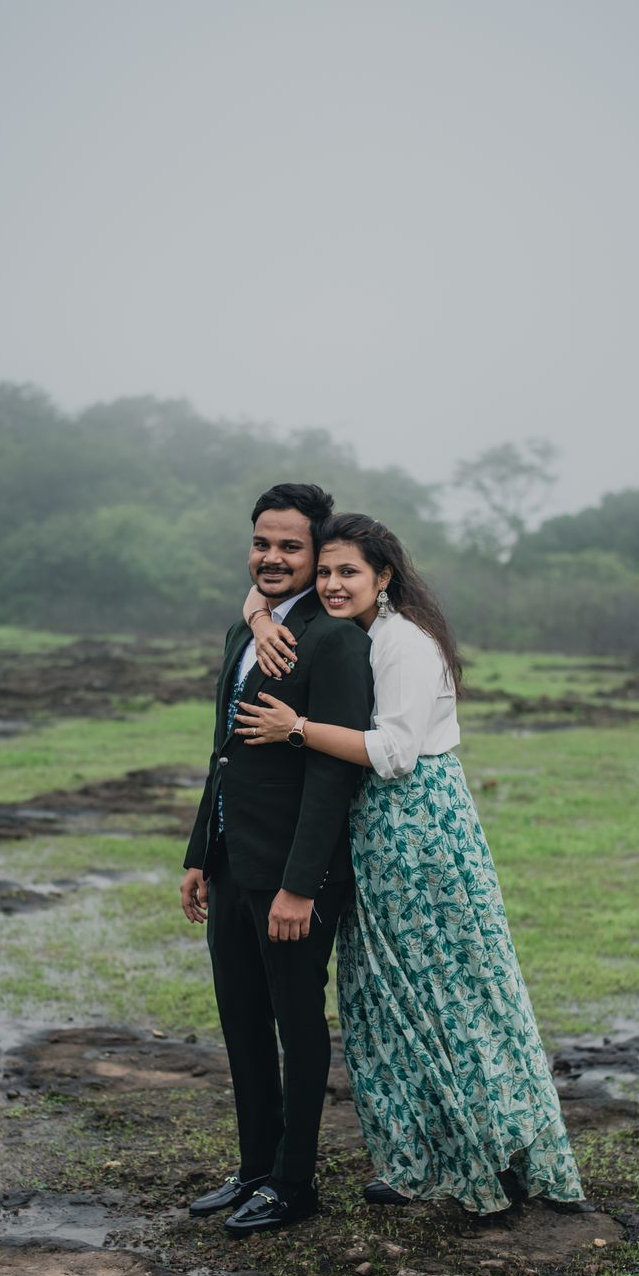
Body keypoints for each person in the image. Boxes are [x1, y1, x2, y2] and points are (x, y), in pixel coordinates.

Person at [234, 512, 586, 1216]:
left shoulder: (404, 644)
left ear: (383, 576)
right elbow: (264, 599)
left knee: (451, 995)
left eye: (348, 573)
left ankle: (497, 1153)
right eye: (326, 571)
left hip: (418, 827)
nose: (333, 585)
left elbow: (394, 753)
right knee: (391, 1000)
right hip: (377, 831)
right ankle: (422, 1157)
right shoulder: (357, 635)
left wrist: (295, 728)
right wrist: (258, 612)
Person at [180, 484, 375, 1236]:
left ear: (317, 554)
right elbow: (222, 754)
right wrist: (202, 852)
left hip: (296, 877)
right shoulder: (245, 632)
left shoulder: (334, 640)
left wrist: (300, 887)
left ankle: (296, 1185)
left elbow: (335, 774)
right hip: (232, 865)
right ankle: (254, 1168)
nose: (272, 557)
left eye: (291, 547)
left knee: (297, 1026)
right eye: (263, 542)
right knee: (241, 1024)